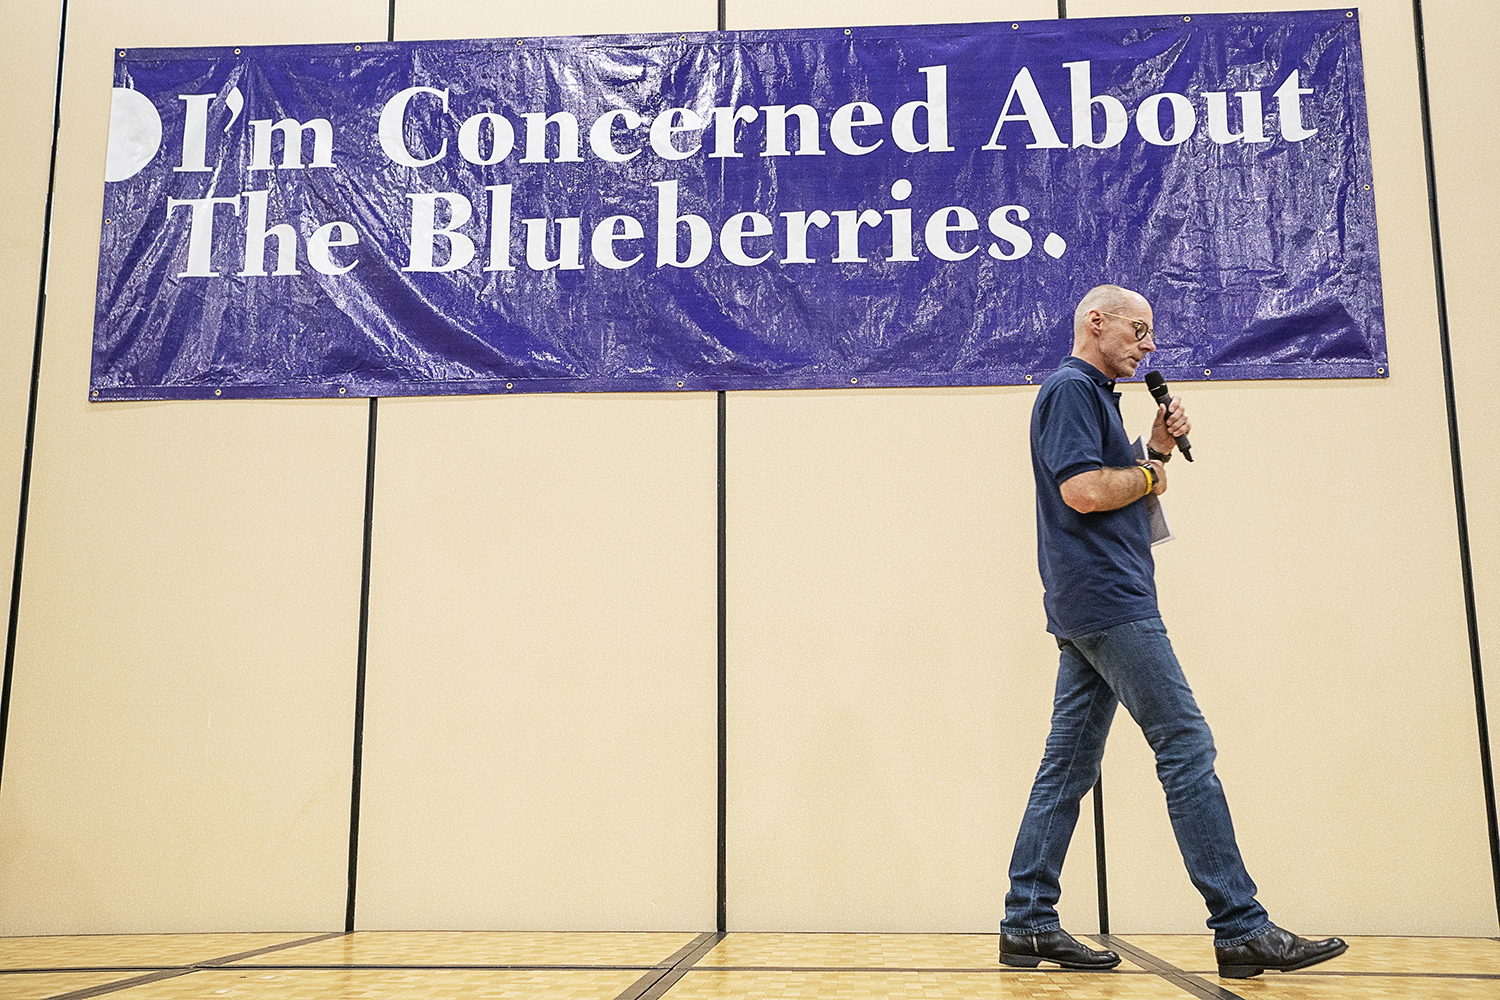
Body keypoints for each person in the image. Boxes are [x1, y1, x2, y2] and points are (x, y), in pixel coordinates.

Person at [997, 285, 1347, 979]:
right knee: (1186, 743)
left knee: (1067, 766)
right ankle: (1240, 926)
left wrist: (1150, 449)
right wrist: (1153, 471)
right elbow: (1086, 493)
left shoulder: (1094, 397)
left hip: (1094, 601)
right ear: (1095, 322)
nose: (1148, 345)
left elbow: (1110, 481)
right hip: (1110, 603)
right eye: (1139, 329)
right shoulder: (1071, 389)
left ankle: (1027, 920)